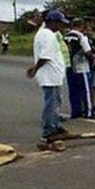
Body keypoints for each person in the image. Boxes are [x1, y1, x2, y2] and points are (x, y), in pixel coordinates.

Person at [27, 10, 69, 141]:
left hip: (53, 75)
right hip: (49, 75)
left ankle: (55, 125)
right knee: (51, 103)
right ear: (53, 22)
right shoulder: (48, 35)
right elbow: (45, 56)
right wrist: (35, 68)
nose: (61, 27)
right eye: (60, 24)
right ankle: (49, 130)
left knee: (56, 101)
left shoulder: (45, 33)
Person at [64, 18, 95, 119]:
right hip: (81, 66)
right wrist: (92, 60)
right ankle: (89, 112)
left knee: (73, 91)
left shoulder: (66, 36)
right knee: (86, 90)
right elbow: (88, 52)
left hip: (69, 66)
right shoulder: (80, 36)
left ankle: (75, 111)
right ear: (82, 26)